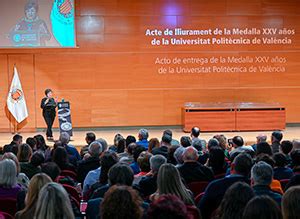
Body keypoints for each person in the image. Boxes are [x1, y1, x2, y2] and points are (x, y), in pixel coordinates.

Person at [198, 153, 253, 219]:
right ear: (250, 170)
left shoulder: (215, 186)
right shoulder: (253, 187)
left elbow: (201, 211)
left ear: (232, 167)